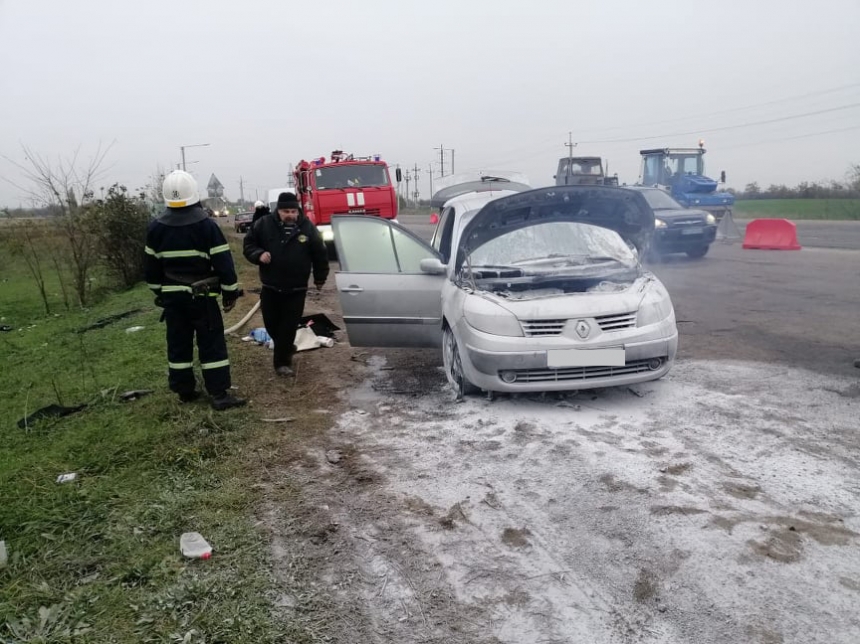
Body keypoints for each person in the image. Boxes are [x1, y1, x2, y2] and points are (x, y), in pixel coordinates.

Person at [144, 170, 246, 410]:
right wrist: (230, 292)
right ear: (194, 193)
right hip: (203, 298)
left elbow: (151, 269)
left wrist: (161, 292)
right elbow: (223, 263)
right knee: (211, 344)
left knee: (178, 343)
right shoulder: (206, 226)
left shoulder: (155, 228)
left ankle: (184, 390)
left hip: (172, 300)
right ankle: (219, 395)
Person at [243, 191, 329, 376]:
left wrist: (320, 278)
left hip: (296, 289)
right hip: (271, 287)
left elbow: (320, 254)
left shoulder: (307, 227)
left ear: (298, 211)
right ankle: (286, 347)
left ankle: (282, 363)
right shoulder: (263, 224)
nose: (290, 215)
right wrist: (258, 254)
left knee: (288, 326)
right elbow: (248, 245)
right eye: (286, 211)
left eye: (293, 211)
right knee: (272, 325)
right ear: (278, 211)